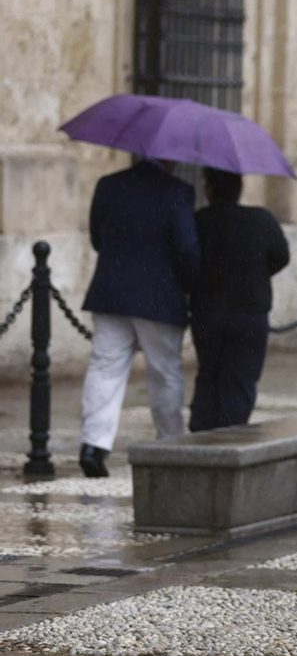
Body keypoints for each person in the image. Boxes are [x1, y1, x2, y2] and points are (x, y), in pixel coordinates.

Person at [78, 156, 201, 476]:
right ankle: (169, 443)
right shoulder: (178, 191)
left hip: (111, 291)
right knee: (165, 372)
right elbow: (186, 248)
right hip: (158, 297)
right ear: (168, 157)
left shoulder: (109, 184)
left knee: (105, 367)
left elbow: (96, 237)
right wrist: (192, 285)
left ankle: (93, 445)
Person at [189, 168, 290, 432]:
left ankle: (200, 435)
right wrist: (254, 274)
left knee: (209, 374)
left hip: (208, 312)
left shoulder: (200, 221)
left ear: (209, 189)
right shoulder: (261, 220)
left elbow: (187, 259)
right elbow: (281, 256)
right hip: (249, 313)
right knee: (240, 379)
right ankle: (229, 437)